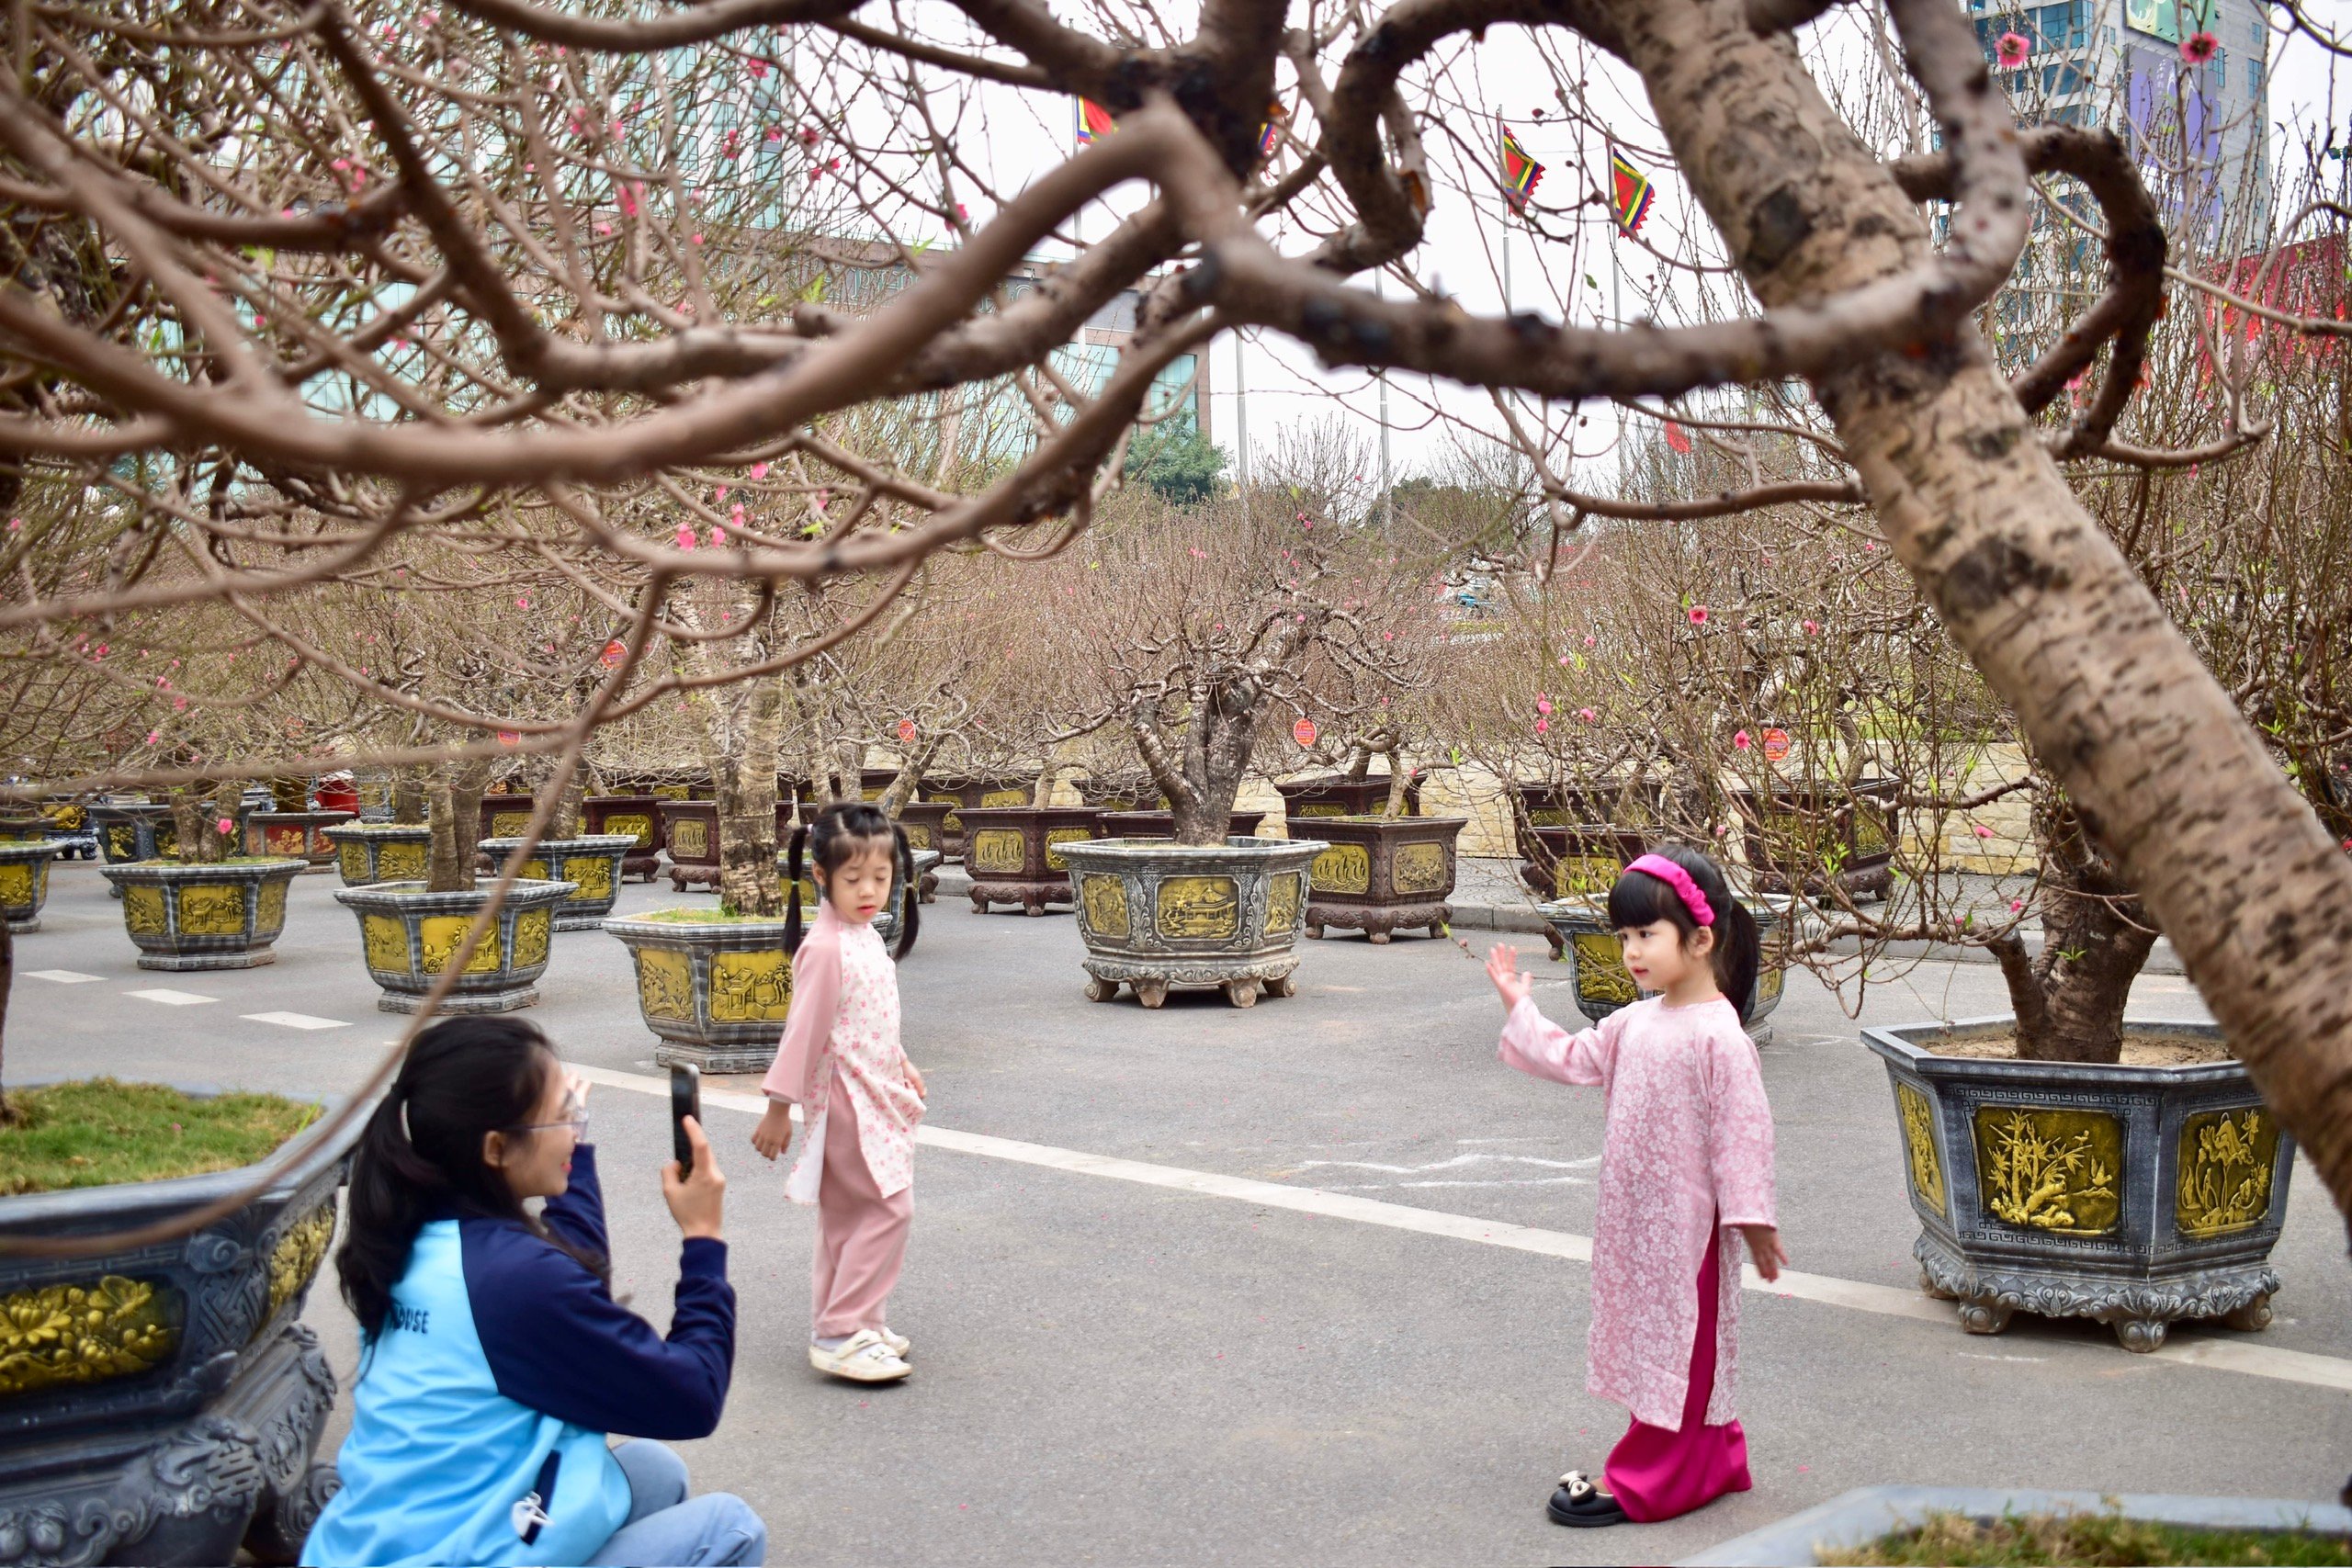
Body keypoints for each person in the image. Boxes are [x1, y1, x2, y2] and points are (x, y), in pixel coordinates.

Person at [303, 1017, 764, 1567]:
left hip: (382, 1543)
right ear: (496, 1148)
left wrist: (571, 1154)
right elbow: (693, 1397)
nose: (575, 1125)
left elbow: (571, 1288)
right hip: (456, 1555)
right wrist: (704, 1239)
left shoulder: (411, 1238)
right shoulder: (513, 1280)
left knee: (651, 1472)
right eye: (561, 1117)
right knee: (731, 1527)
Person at [1484, 844, 1785, 1530]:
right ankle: (1717, 1455)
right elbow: (1569, 1057)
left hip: (1690, 1228)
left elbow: (1744, 1132)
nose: (1631, 951)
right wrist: (1520, 1008)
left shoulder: (1720, 1037)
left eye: (1646, 934)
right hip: (1634, 1221)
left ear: (1701, 938)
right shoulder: (1632, 1022)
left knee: (1686, 1340)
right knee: (1657, 1340)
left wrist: (1753, 1219)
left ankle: (1651, 1477)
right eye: (1624, 936)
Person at [751, 800, 927, 1383]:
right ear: (821, 876)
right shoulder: (826, 948)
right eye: (854, 879)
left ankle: (852, 1324)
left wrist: (901, 1060)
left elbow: (865, 1014)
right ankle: (842, 1330)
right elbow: (803, 1032)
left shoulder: (863, 935)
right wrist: (779, 1107)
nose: (870, 889)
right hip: (849, 1097)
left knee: (850, 1216)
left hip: (875, 1088)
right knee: (887, 1207)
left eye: (882, 877)